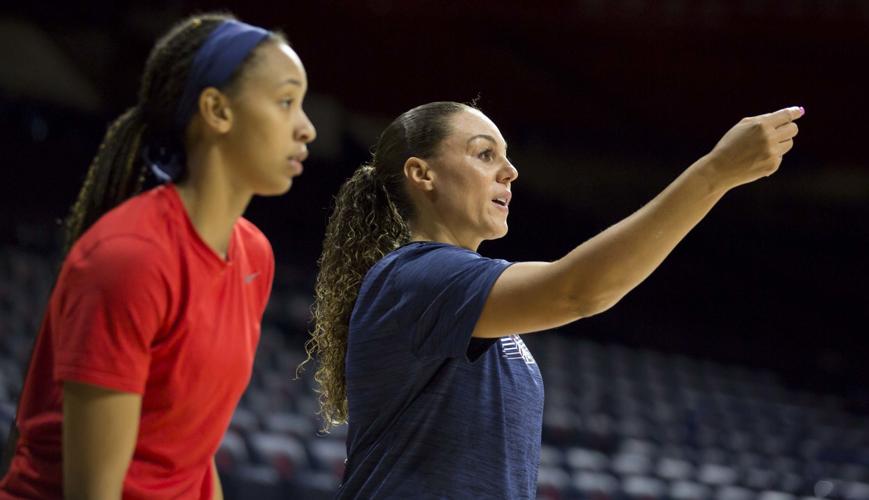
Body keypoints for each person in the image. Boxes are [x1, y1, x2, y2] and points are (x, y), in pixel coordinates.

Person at [303, 101, 802, 498]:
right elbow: (579, 290)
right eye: (484, 154)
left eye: (506, 156)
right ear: (422, 173)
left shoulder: (454, 289)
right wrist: (714, 173)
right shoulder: (415, 275)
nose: (511, 172)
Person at [0, 12, 316, 499]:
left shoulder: (255, 254)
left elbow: (192, 453)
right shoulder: (132, 258)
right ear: (217, 110)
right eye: (285, 101)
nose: (307, 128)